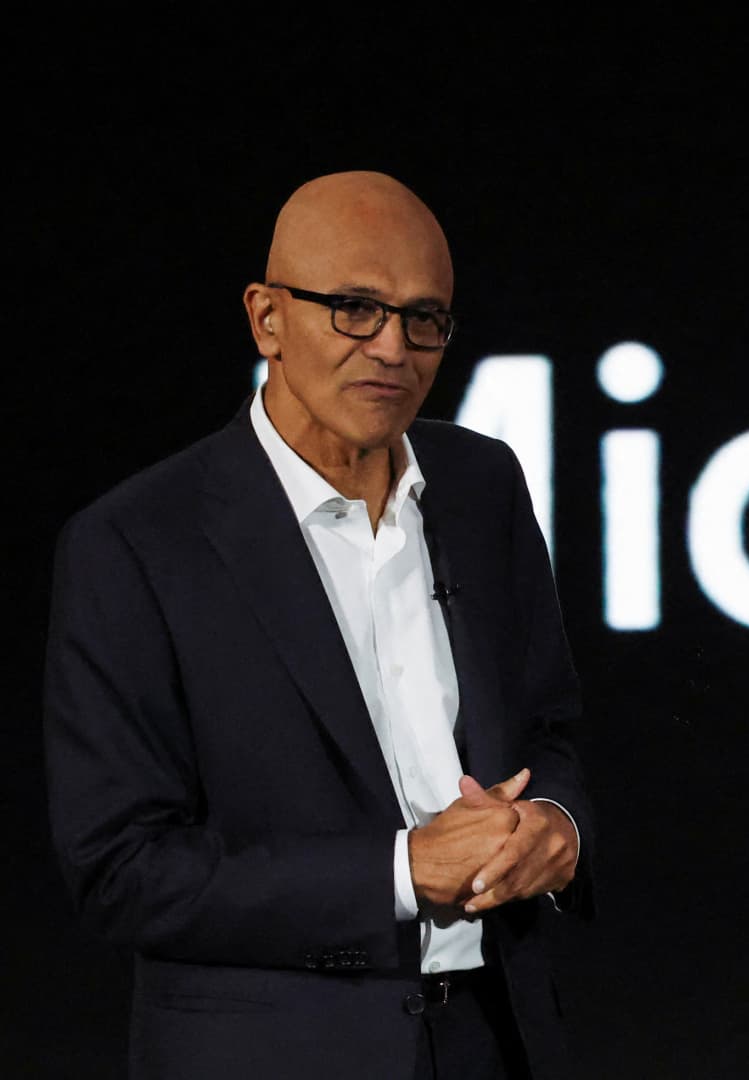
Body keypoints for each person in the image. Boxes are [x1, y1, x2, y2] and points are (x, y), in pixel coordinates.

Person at [43, 171, 595, 1079]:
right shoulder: (137, 543)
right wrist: (400, 871)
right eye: (355, 309)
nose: (393, 348)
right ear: (267, 319)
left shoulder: (483, 485)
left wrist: (556, 825)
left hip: (494, 1040)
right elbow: (122, 870)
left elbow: (551, 729)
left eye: (424, 318)